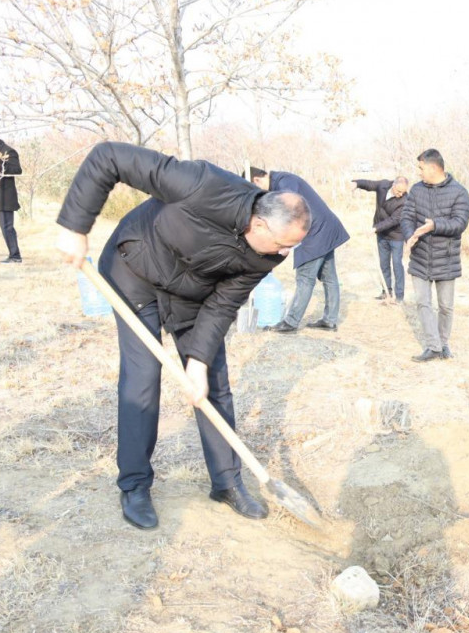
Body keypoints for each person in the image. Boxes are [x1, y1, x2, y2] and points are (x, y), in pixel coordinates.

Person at [56, 142, 310, 530]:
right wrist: (75, 226)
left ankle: (226, 483)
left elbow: (224, 304)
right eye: (282, 244)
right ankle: (135, 485)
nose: (285, 254)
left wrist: (198, 362)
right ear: (259, 224)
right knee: (142, 380)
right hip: (135, 272)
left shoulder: (268, 253)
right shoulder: (203, 185)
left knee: (213, 383)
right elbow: (109, 157)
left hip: (194, 298)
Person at [249, 167, 350, 332]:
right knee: (329, 277)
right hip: (325, 228)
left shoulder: (284, 182)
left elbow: (291, 211)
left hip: (315, 231)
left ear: (256, 180)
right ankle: (330, 320)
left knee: (305, 278)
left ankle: (291, 322)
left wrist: (286, 244)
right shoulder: (281, 181)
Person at [400, 149, 469, 362]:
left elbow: (460, 223)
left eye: (421, 168)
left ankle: (443, 343)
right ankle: (434, 346)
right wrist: (409, 235)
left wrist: (435, 225)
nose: (419, 172)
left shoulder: (459, 192)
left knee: (446, 306)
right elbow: (407, 217)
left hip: (446, 259)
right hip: (420, 257)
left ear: (432, 168)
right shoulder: (416, 190)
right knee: (423, 303)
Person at [353, 176, 408, 302]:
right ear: (393, 185)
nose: (400, 194)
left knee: (397, 264)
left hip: (396, 236)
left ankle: (399, 296)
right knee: (384, 264)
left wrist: (375, 228)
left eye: (403, 192)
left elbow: (393, 220)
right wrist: (357, 183)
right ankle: (386, 291)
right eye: (399, 191)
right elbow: (370, 184)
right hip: (382, 235)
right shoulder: (383, 185)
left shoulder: (405, 200)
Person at [0, 125, 23, 264]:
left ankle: (15, 256)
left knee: (6, 226)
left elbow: (17, 170)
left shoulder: (8, 151)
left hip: (4, 195)